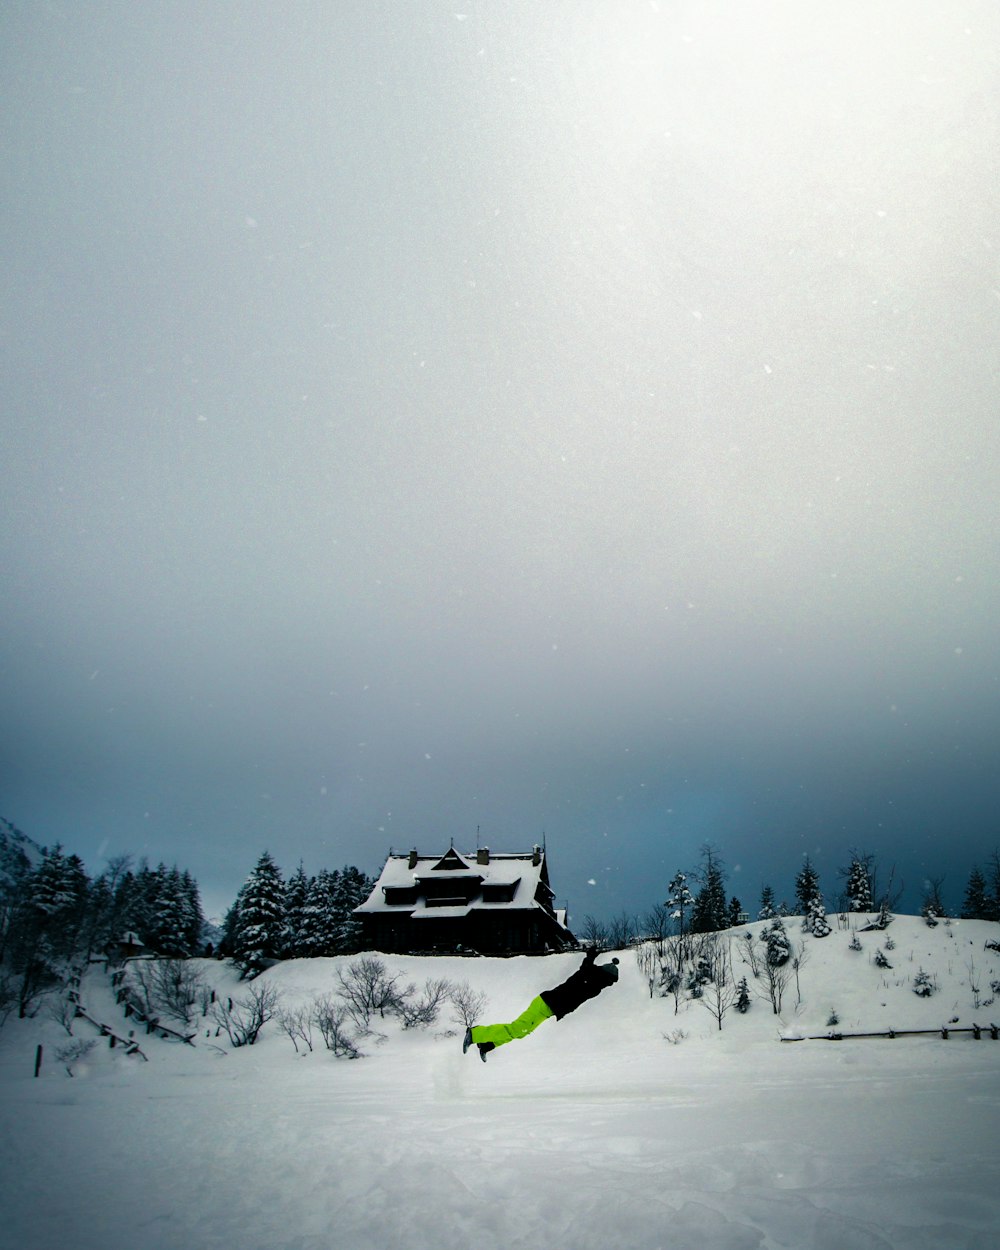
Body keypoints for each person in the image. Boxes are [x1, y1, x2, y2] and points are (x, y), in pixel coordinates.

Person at [463, 946, 619, 1061]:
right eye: (610, 981)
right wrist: (590, 956)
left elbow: (587, 969)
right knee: (518, 1028)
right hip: (545, 1004)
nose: (610, 985)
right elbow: (585, 968)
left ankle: (487, 1045)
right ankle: (475, 1034)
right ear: (605, 976)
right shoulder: (590, 978)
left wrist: (591, 958)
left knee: (521, 1032)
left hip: (547, 1009)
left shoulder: (595, 985)